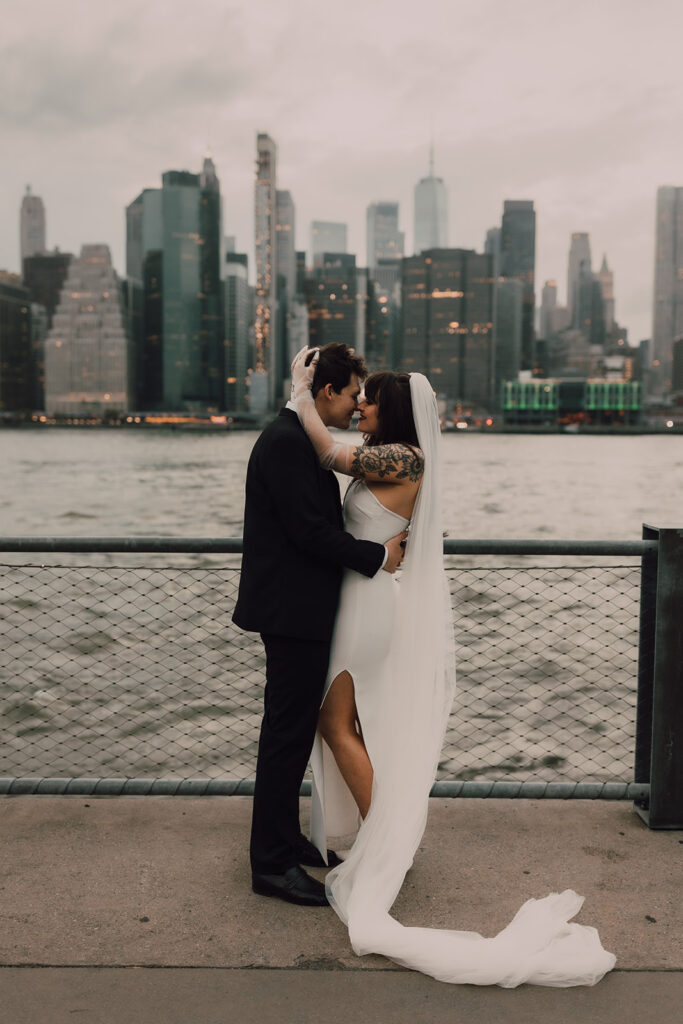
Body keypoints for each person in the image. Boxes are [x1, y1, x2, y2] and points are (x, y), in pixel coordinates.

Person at [289, 347, 617, 987]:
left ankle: (386, 842)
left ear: (396, 410)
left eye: (371, 398)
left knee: (336, 723)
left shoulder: (404, 457)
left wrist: (301, 393)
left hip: (368, 603)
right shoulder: (398, 456)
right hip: (360, 594)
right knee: (347, 721)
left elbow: (330, 454)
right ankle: (378, 834)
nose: (361, 405)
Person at [232, 343, 408, 908]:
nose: (357, 405)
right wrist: (379, 558)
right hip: (292, 611)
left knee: (292, 731)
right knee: (285, 735)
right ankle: (271, 865)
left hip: (304, 609)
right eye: (354, 393)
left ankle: (284, 842)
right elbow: (310, 533)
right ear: (327, 392)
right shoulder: (286, 444)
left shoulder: (297, 437)